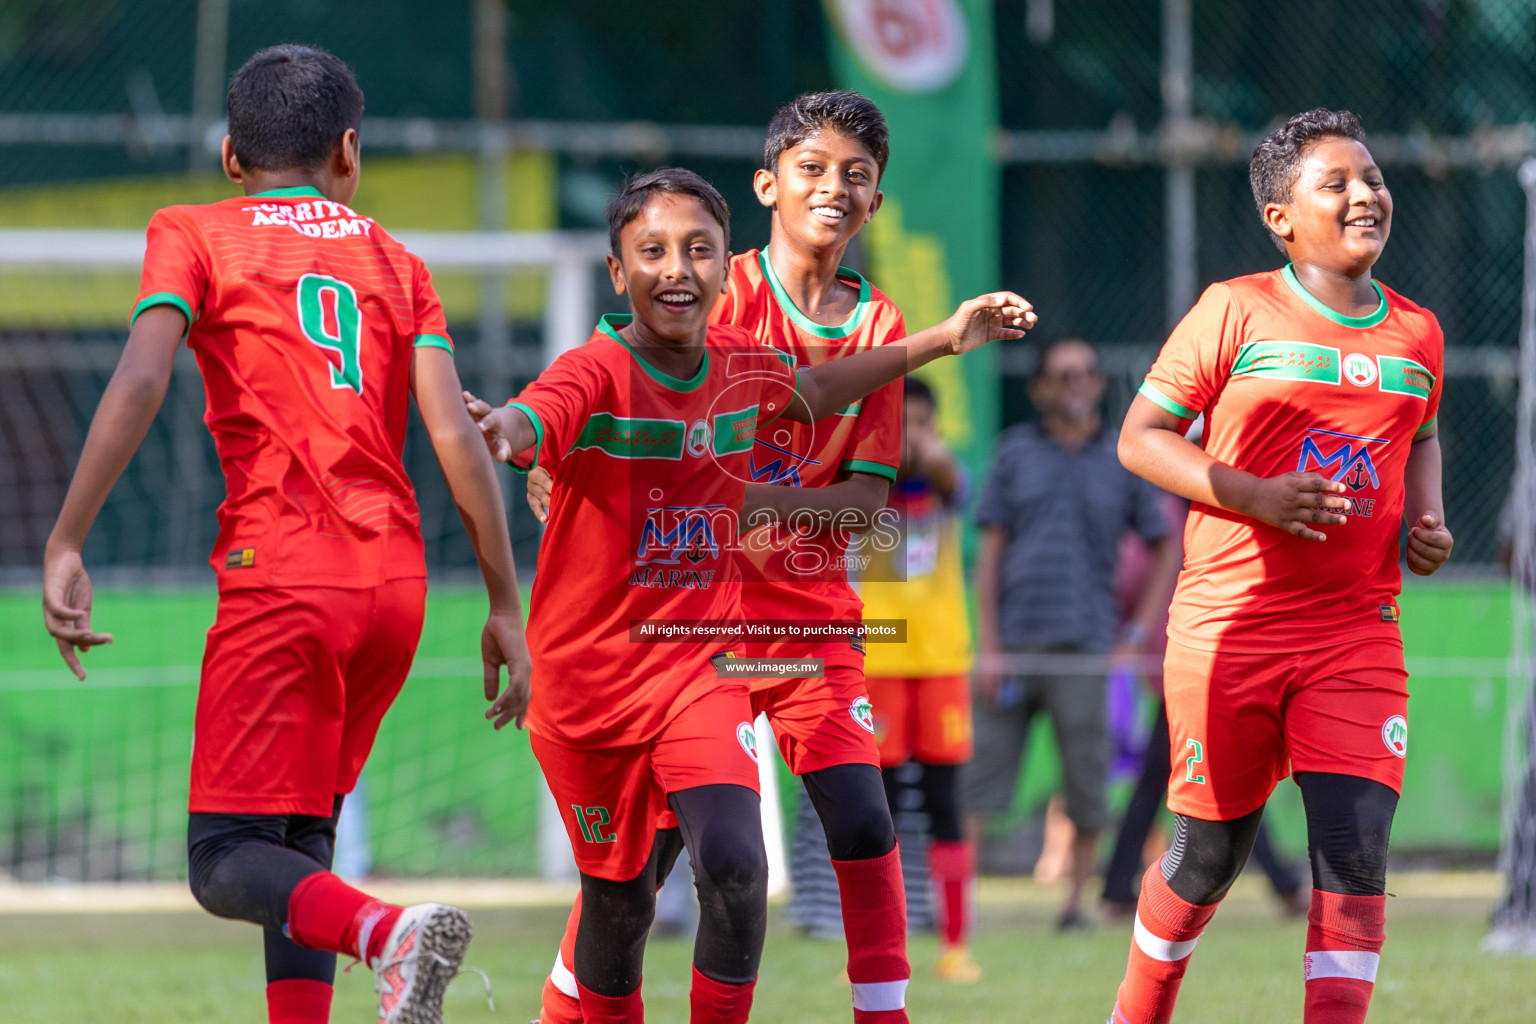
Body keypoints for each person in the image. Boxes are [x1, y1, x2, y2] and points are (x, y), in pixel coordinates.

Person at [468, 166, 1034, 1024]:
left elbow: (811, 394)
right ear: (618, 275)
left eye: (698, 250)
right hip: (585, 688)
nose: (677, 269)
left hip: (700, 667)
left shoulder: (743, 362)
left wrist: (942, 340)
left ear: (723, 271)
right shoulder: (595, 370)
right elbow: (534, 414)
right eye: (651, 252)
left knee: (738, 861)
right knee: (619, 907)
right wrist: (504, 432)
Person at [39, 45, 531, 1024]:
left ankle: (390, 936)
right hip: (394, 588)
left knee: (224, 857)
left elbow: (139, 378)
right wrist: (505, 602)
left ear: (230, 156)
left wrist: (67, 537)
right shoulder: (398, 261)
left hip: (285, 570)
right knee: (297, 843)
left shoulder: (195, 232)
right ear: (350, 152)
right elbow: (454, 437)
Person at [522, 91, 941, 1024]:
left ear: (875, 200)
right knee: (648, 868)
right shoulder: (703, 280)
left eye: (856, 175)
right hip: (686, 629)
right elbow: (592, 406)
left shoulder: (882, 330)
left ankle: (885, 1012)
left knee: (862, 821)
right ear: (769, 185)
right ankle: (566, 1001)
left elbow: (868, 508)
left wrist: (712, 504)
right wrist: (548, 467)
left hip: (803, 621)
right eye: (813, 168)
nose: (835, 188)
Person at [1106, 109, 1453, 1024]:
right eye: (1335, 183)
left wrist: (1429, 519)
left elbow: (1424, 434)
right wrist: (1252, 494)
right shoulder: (1235, 309)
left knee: (1355, 849)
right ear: (1280, 217)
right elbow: (1140, 442)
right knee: (1206, 859)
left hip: (1356, 634)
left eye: (1372, 177)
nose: (1365, 194)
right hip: (1229, 628)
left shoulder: (1419, 332)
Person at [966, 337, 1179, 930]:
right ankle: (964, 907)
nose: (1078, 384)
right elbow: (989, 556)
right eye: (1063, 376)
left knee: (1087, 783)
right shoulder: (1012, 455)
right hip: (1013, 647)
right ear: (1039, 390)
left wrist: (1135, 634)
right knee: (980, 780)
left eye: (1087, 373)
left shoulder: (1123, 457)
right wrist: (989, 646)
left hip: (1088, 650)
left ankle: (1075, 905)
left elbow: (1165, 545)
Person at [859, 376, 980, 981]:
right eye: (899, 425)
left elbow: (956, 484)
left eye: (922, 425)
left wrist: (931, 455)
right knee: (872, 812)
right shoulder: (860, 482)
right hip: (875, 658)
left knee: (943, 804)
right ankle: (876, 949)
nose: (911, 438)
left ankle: (955, 944)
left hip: (938, 660)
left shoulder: (944, 478)